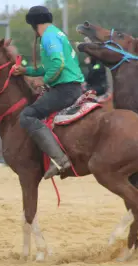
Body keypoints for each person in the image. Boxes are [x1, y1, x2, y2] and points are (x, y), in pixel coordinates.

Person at [12, 6, 85, 179]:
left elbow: (58, 64)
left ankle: (60, 159)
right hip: (72, 86)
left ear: (33, 24)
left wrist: (43, 81)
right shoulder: (56, 33)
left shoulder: (48, 37)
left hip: (65, 89)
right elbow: (49, 66)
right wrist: (26, 71)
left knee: (27, 116)